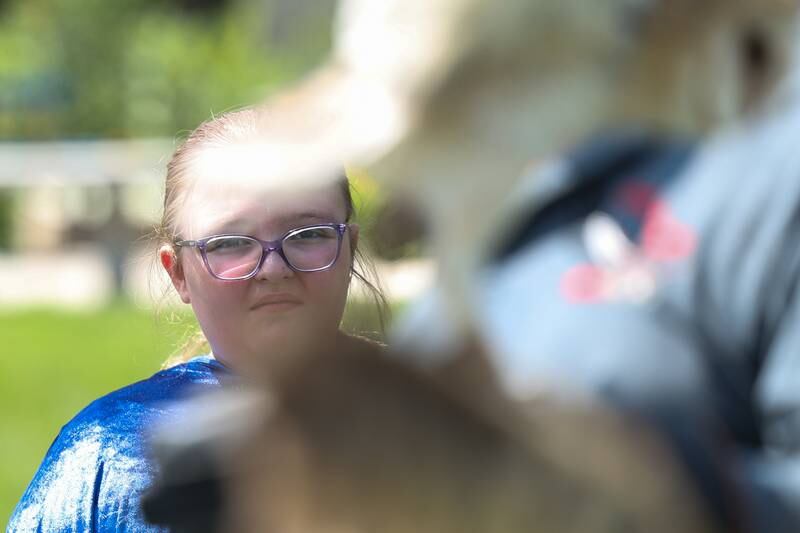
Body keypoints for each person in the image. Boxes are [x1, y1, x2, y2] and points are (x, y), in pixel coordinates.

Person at [7, 107, 386, 532]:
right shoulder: (106, 453)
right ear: (179, 273)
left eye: (309, 234)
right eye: (228, 243)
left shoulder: (432, 427)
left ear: (349, 246)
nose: (274, 267)